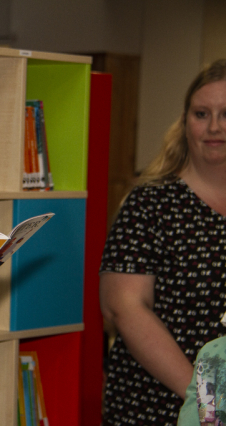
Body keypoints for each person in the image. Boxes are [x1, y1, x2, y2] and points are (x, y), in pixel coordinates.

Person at [99, 58, 226, 425]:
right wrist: (207, 399)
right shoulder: (150, 203)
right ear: (185, 121)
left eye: (224, 114)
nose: (214, 126)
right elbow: (123, 308)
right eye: (202, 114)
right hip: (158, 405)